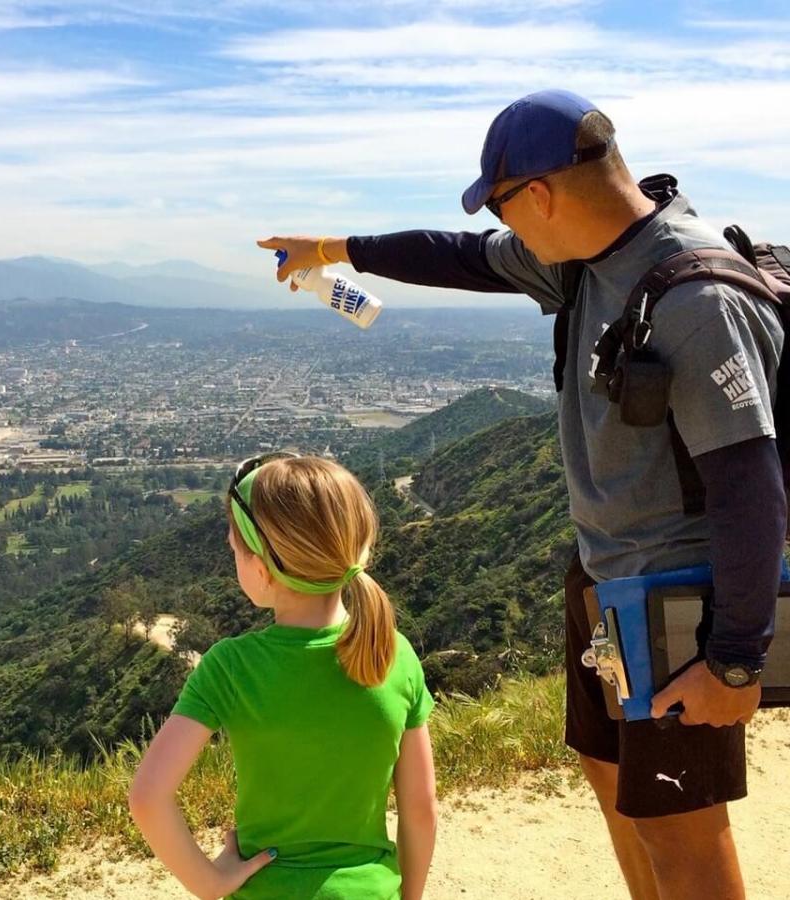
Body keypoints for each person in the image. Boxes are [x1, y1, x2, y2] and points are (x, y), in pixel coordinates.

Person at [259, 89, 785, 900]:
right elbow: (460, 255)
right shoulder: (580, 257)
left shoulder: (694, 298)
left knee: (684, 836)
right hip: (604, 577)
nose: (504, 227)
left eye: (503, 204)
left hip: (679, 603)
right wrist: (331, 249)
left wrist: (737, 662)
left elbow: (752, 487)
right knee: (621, 796)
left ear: (537, 194)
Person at [129, 453, 438, 899]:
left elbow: (147, 798)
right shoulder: (394, 654)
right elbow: (420, 810)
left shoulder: (230, 667)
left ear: (262, 569)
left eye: (236, 548)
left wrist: (210, 883)